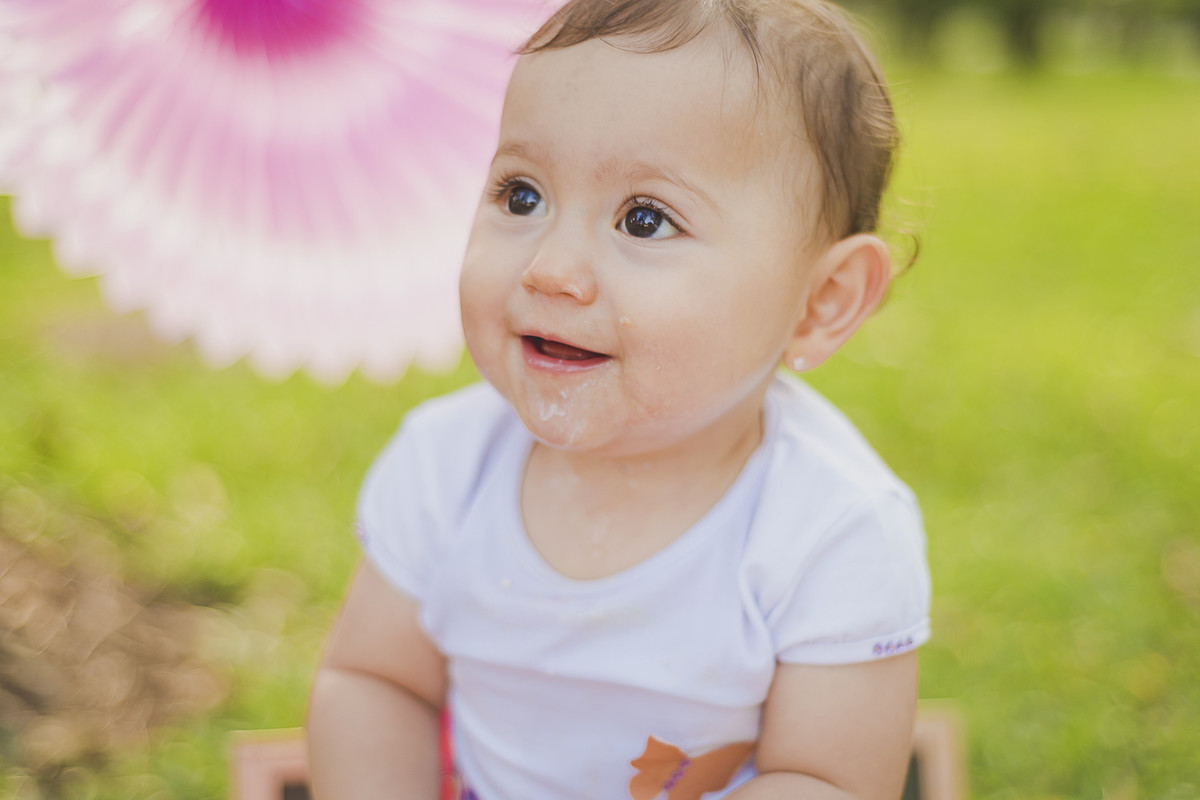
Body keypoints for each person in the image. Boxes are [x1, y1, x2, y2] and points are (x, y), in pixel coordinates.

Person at [307, 0, 931, 798]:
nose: (549, 268)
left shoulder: (831, 529)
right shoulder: (446, 469)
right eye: (522, 196)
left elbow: (825, 781)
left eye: (644, 220)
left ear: (821, 301)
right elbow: (375, 681)